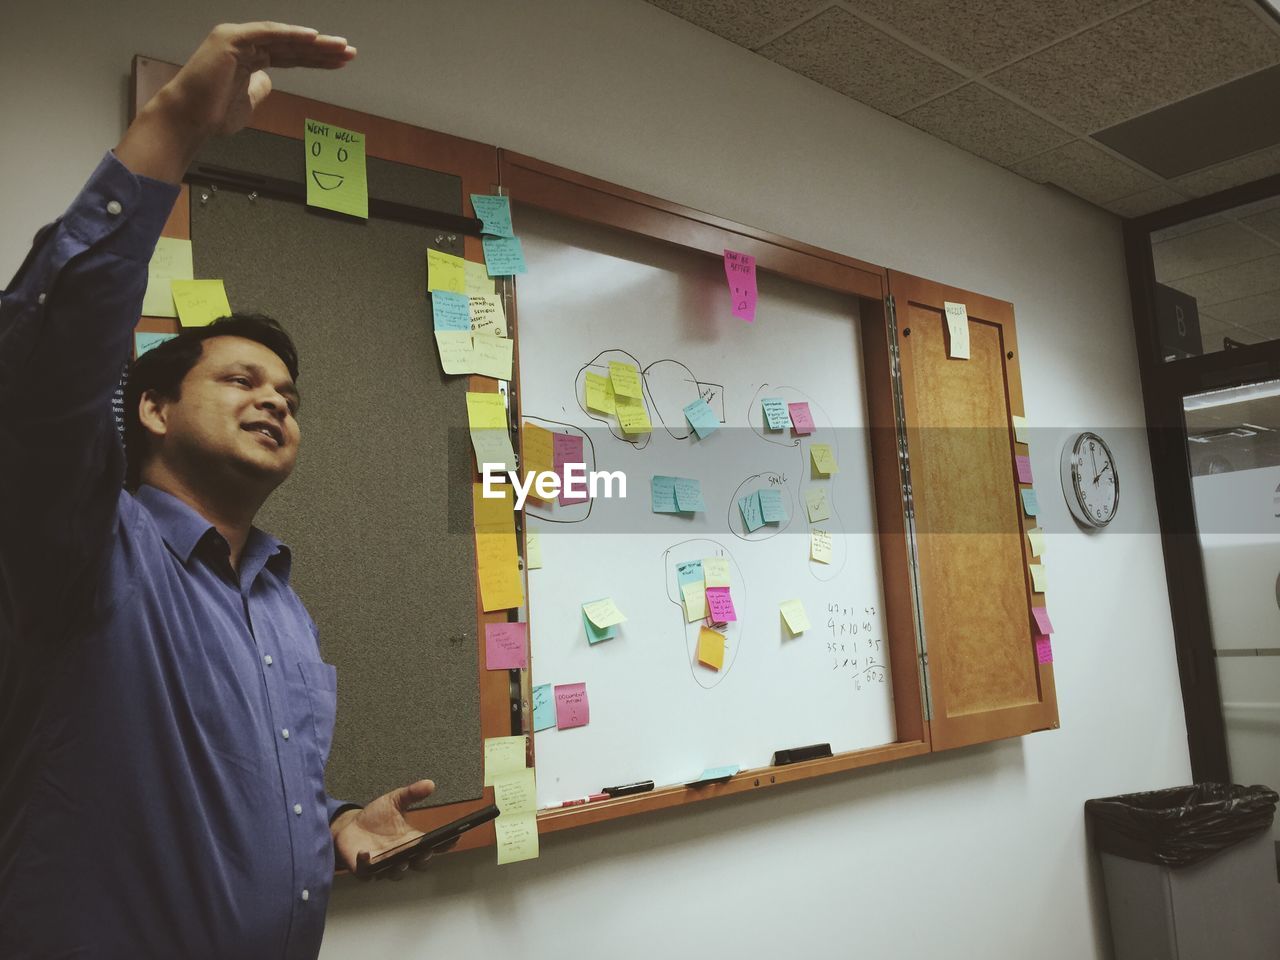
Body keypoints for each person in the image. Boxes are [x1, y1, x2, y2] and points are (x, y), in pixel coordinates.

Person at [0, 22, 442, 959]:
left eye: (287, 394)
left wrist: (335, 825)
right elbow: (45, 368)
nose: (275, 401)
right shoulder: (82, 542)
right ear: (153, 409)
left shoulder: (280, 602)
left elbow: (228, 789)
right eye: (241, 380)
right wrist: (171, 129)